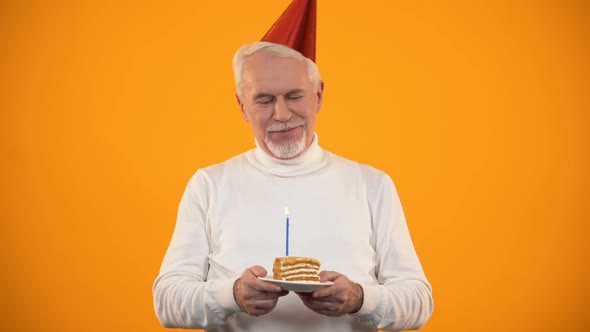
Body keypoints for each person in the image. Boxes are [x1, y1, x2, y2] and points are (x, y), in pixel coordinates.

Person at [152, 41, 434, 331]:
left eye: (294, 96)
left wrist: (361, 299)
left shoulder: (373, 185)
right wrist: (231, 295)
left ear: (319, 96)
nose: (283, 114)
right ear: (242, 107)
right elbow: (167, 301)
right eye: (263, 99)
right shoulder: (208, 185)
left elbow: (418, 301)